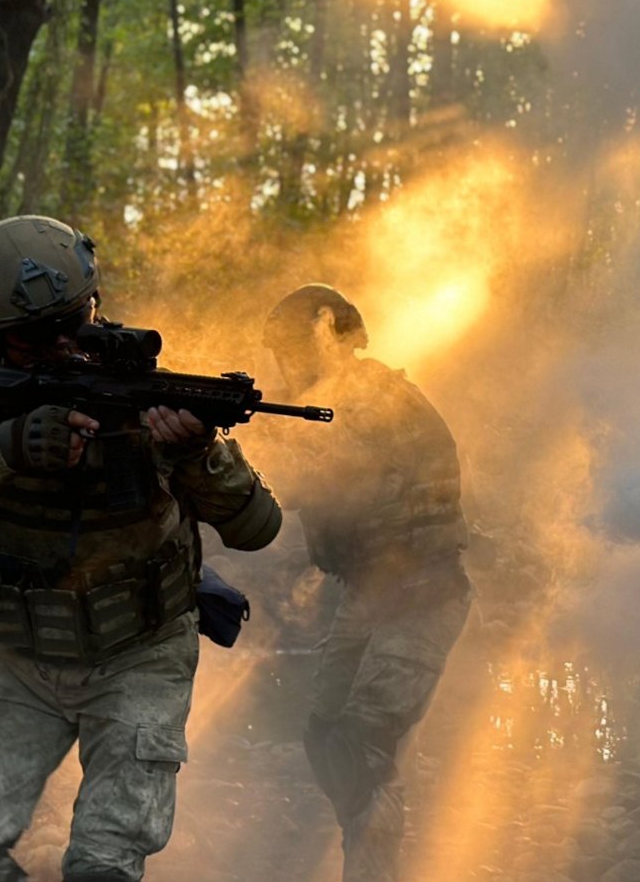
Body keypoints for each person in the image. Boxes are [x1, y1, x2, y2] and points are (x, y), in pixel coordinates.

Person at [0, 215, 282, 882]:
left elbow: (259, 526)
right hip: (22, 653)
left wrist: (195, 452)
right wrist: (5, 449)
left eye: (76, 318)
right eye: (36, 336)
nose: (64, 346)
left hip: (139, 652)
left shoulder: (133, 378)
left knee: (101, 869)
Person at [260, 284, 472, 882]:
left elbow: (313, 479)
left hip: (423, 596)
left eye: (293, 348)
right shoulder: (332, 401)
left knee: (361, 742)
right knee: (327, 735)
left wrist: (244, 440)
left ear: (328, 334)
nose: (287, 364)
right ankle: (368, 850)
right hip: (368, 593)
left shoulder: (374, 398)